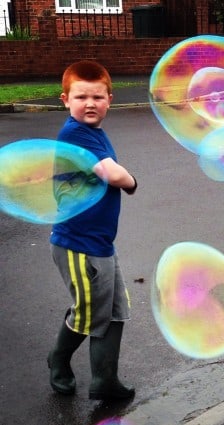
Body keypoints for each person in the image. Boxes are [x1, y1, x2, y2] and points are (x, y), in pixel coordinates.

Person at [48, 60, 137, 401]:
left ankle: (104, 380)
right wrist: (132, 181)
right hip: (77, 244)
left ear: (109, 100)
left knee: (115, 309)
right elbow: (111, 174)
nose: (89, 103)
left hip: (100, 242)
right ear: (65, 100)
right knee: (88, 313)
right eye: (81, 96)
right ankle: (58, 359)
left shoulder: (93, 131)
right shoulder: (74, 133)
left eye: (97, 97)